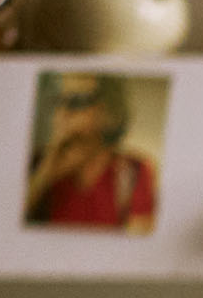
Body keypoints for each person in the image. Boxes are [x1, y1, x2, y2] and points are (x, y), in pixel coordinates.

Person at [23, 72, 157, 231]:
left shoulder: (134, 170)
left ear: (108, 110)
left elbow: (138, 235)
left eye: (77, 101)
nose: (63, 111)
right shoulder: (35, 162)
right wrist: (44, 175)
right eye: (58, 101)